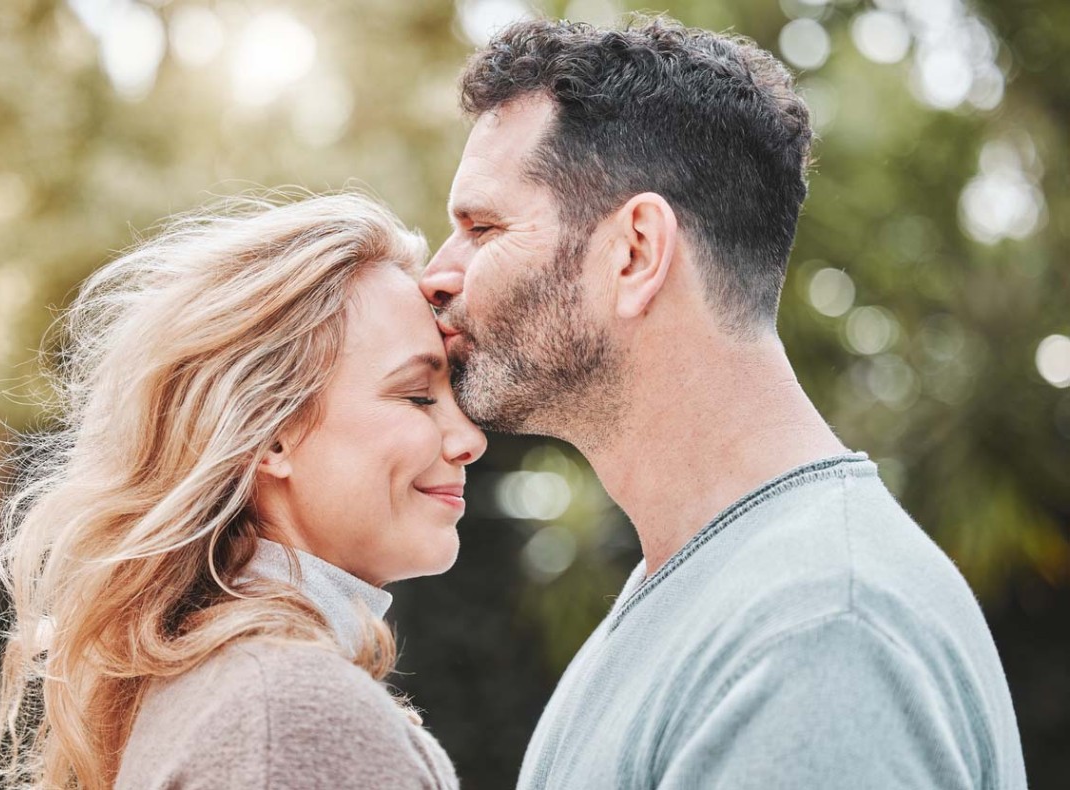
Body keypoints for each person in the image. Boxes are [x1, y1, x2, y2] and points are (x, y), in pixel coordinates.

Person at [420, 17, 1027, 789]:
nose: (437, 275)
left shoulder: (819, 634)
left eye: (482, 226)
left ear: (636, 252)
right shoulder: (703, 591)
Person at [0, 192, 485, 789]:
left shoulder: (211, 681)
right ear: (270, 434)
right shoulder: (289, 712)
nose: (468, 438)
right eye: (418, 396)